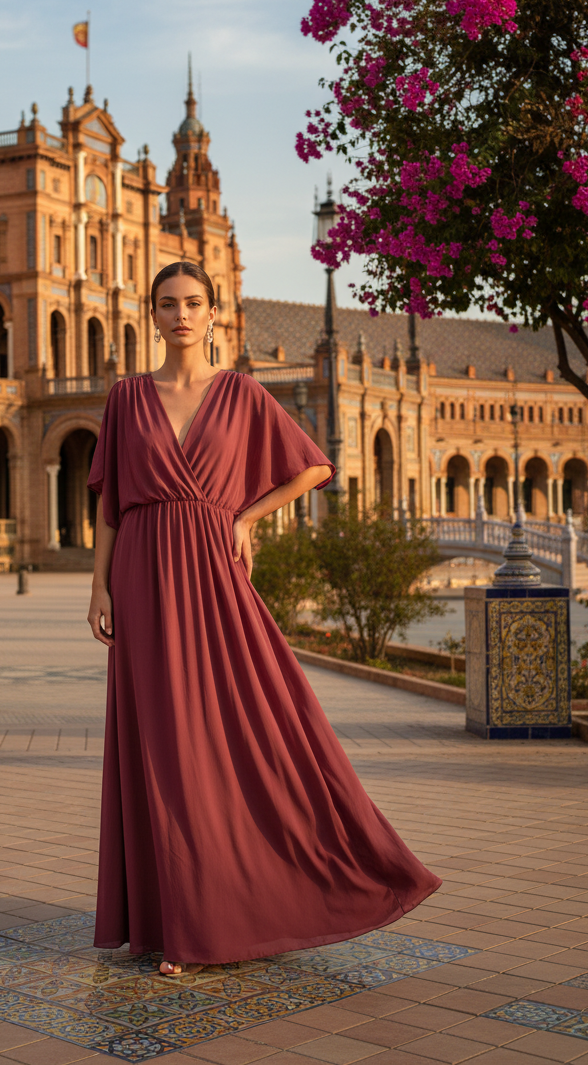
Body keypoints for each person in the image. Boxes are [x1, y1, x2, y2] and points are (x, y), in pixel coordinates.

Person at [86, 261, 441, 979]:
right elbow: (108, 502)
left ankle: (242, 905)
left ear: (214, 314)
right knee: (158, 746)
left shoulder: (242, 393)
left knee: (243, 730)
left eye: (193, 303)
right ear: (150, 316)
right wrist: (98, 586)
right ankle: (169, 920)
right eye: (166, 304)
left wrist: (246, 517)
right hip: (141, 577)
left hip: (214, 573)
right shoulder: (126, 398)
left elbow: (312, 468)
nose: (180, 315)